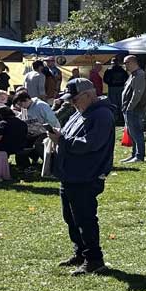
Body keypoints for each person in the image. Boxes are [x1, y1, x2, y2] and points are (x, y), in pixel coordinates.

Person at [49, 78, 116, 275]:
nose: (72, 103)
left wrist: (62, 140)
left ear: (89, 95)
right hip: (71, 174)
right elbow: (71, 136)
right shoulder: (81, 112)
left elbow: (90, 144)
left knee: (85, 219)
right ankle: (80, 253)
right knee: (70, 217)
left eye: (75, 99)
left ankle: (94, 259)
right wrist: (59, 135)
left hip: (86, 175)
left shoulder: (102, 115)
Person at [120, 55, 146, 163]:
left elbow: (137, 93)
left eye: (126, 62)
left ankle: (139, 156)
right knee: (132, 133)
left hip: (135, 109)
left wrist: (130, 107)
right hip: (129, 109)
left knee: (136, 132)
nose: (124, 65)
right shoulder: (132, 75)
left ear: (132, 62)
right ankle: (134, 155)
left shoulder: (140, 75)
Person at [0, 105, 30, 177]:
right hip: (21, 146)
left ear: (0, 115)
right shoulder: (22, 123)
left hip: (6, 147)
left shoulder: (3, 123)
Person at [104, 58, 129, 125]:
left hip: (112, 88)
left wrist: (110, 83)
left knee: (113, 103)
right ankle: (122, 118)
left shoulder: (109, 70)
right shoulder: (122, 70)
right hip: (121, 87)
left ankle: (115, 118)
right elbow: (127, 78)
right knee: (121, 102)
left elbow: (105, 79)